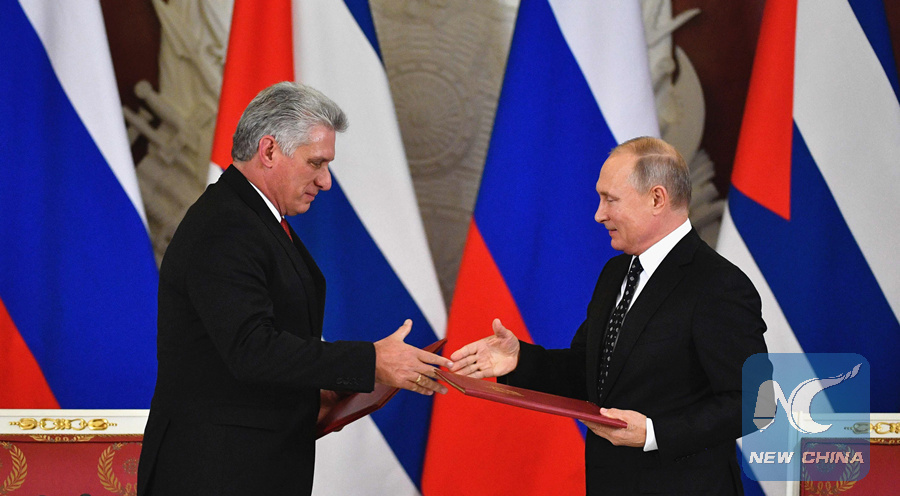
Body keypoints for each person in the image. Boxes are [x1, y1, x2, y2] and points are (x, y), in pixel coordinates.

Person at [137, 81, 452, 496]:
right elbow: (252, 349)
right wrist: (370, 360)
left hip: (250, 469)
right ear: (269, 151)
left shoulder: (253, 219)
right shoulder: (225, 226)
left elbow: (258, 347)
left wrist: (321, 389)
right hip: (214, 475)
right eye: (315, 163)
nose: (326, 181)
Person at [450, 136, 767, 495]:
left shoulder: (718, 284)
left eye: (610, 199)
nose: (599, 214)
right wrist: (519, 359)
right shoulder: (615, 273)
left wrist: (653, 433)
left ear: (657, 199)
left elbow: (755, 402)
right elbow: (588, 372)